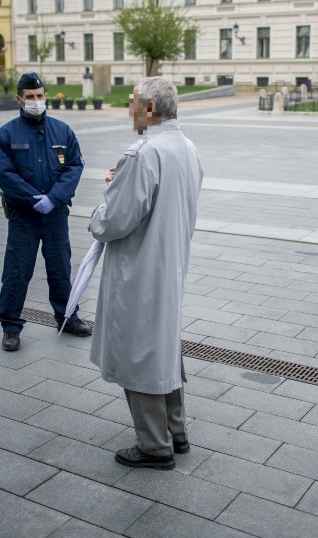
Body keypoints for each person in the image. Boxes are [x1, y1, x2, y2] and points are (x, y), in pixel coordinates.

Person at [89, 77, 204, 470]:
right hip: (169, 263)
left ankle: (155, 445)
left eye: (132, 102)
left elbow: (116, 220)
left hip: (139, 268)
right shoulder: (187, 148)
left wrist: (99, 212)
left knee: (139, 350)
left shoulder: (144, 152)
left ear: (150, 108)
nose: (129, 110)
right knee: (164, 344)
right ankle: (177, 431)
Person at [0, 72, 89, 351]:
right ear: (20, 99)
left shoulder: (62, 131)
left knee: (60, 267)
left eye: (40, 96)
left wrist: (54, 198)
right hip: (24, 215)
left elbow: (73, 167)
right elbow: (4, 173)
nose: (37, 101)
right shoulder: (7, 134)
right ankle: (10, 325)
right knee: (17, 271)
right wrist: (32, 197)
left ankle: (67, 317)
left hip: (55, 214)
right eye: (31, 97)